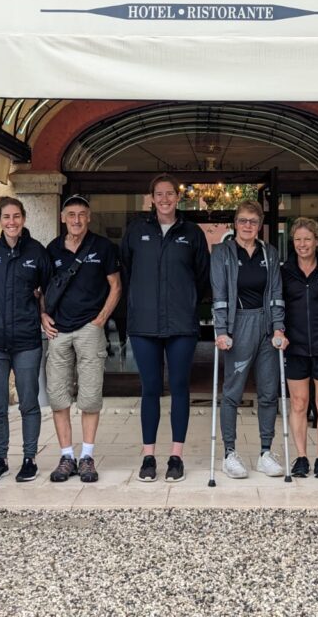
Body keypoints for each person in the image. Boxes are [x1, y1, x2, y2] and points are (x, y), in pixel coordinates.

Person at [121, 174, 210, 483]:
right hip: (144, 325)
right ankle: (148, 456)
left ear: (178, 197)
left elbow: (202, 277)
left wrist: (184, 301)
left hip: (181, 325)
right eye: (159, 194)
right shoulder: (136, 232)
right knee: (150, 390)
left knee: (180, 389)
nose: (164, 199)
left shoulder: (193, 233)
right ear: (151, 198)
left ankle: (176, 456)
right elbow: (127, 271)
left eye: (170, 193)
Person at [42, 195, 122, 484]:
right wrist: (43, 316)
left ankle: (87, 456)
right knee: (58, 396)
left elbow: (116, 285)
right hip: (58, 331)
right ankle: (66, 456)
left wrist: (100, 319)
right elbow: (41, 288)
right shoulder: (51, 250)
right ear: (63, 217)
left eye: (82, 214)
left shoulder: (102, 247)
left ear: (89, 217)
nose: (76, 220)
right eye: (71, 214)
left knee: (89, 397)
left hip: (89, 329)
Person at [211, 200, 288, 479]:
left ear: (260, 225)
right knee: (233, 391)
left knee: (268, 392)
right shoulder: (223, 252)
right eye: (243, 220)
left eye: (253, 222)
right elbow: (219, 293)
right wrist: (222, 331)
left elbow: (277, 292)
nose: (247, 226)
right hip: (238, 323)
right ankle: (229, 453)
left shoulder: (269, 252)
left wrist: (279, 328)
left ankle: (266, 452)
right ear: (235, 223)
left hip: (266, 326)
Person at [0, 197, 52, 484]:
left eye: (17, 216)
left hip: (26, 341)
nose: (12, 222)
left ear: (24, 218)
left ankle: (29, 458)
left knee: (28, 403)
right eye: (6, 217)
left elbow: (49, 288)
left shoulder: (37, 252)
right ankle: (0, 459)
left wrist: (45, 312)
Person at [280, 217, 318, 479]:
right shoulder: (285, 271)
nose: (302, 244)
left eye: (307, 239)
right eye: (297, 240)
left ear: (317, 241)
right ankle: (302, 457)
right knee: (299, 403)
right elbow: (277, 306)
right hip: (296, 347)